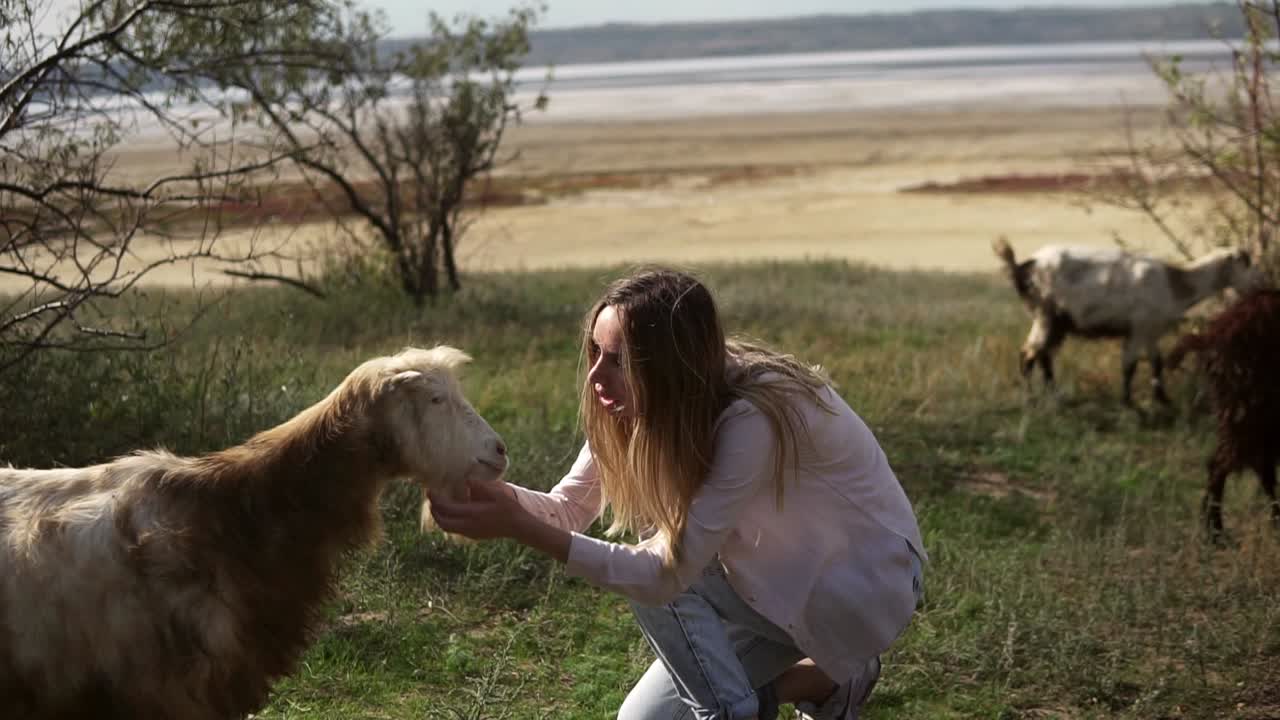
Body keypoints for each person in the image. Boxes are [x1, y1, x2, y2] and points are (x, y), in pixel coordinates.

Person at [429, 267, 926, 720]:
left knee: (653, 563)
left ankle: (739, 708)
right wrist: (472, 484)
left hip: (862, 592)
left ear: (669, 365)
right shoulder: (641, 407)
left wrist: (518, 524)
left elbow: (664, 575)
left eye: (620, 361)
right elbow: (567, 509)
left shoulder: (751, 417)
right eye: (595, 353)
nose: (597, 377)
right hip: (767, 583)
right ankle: (825, 680)